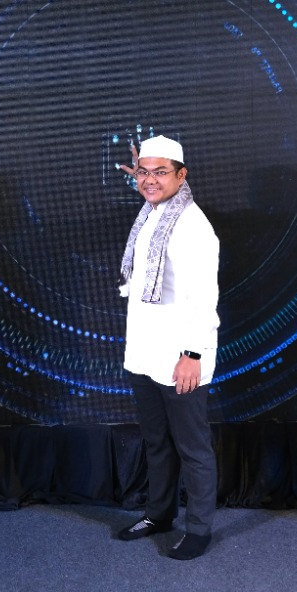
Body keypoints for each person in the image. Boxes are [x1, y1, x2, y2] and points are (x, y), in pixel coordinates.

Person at [114, 135, 221, 561]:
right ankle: (159, 514)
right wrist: (146, 176)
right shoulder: (151, 212)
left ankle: (199, 529)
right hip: (145, 352)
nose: (149, 180)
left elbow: (204, 297)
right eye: (144, 172)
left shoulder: (194, 225)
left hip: (181, 357)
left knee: (192, 448)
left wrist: (192, 354)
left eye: (161, 172)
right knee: (156, 442)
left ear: (182, 175)